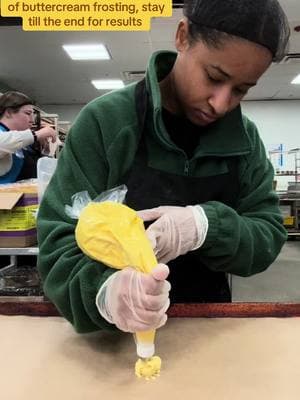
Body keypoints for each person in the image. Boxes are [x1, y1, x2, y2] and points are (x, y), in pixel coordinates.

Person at [37, 0, 290, 334]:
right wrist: (105, 295)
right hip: (113, 335)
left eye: (241, 90)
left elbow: (268, 234)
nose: (221, 103)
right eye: (214, 77)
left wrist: (207, 226)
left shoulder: (243, 141)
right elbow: (57, 246)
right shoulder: (107, 123)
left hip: (205, 324)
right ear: (183, 36)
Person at [0, 91, 57, 183]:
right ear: (9, 112)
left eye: (33, 114)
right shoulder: (6, 136)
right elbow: (3, 143)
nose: (32, 120)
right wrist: (36, 135)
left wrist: (46, 149)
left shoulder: (23, 142)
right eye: (27, 113)